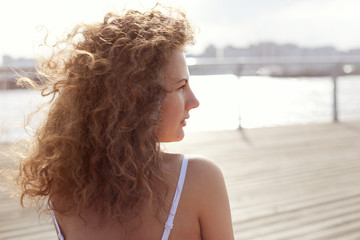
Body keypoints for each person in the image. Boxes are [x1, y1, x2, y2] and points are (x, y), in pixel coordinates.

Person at [16, 5, 234, 240]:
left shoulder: (65, 191)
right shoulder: (197, 178)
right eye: (181, 87)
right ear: (137, 99)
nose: (194, 101)